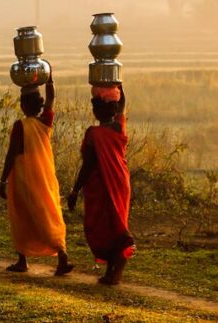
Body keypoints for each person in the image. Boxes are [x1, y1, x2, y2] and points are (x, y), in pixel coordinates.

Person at [0, 76, 73, 276]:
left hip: (23, 178)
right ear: (38, 105)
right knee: (48, 212)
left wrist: (3, 179)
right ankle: (61, 253)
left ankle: (22, 260)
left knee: (22, 216)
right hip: (44, 177)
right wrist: (49, 80)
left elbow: (11, 154)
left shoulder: (20, 126)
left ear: (23, 105)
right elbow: (51, 100)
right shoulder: (45, 122)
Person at [68, 83, 135, 286]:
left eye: (98, 106)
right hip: (119, 182)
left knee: (108, 226)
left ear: (109, 109)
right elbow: (122, 105)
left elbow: (88, 165)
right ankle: (111, 272)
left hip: (105, 185)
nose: (95, 110)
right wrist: (119, 85)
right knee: (112, 225)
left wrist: (75, 189)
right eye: (95, 106)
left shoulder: (94, 134)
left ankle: (120, 262)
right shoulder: (118, 127)